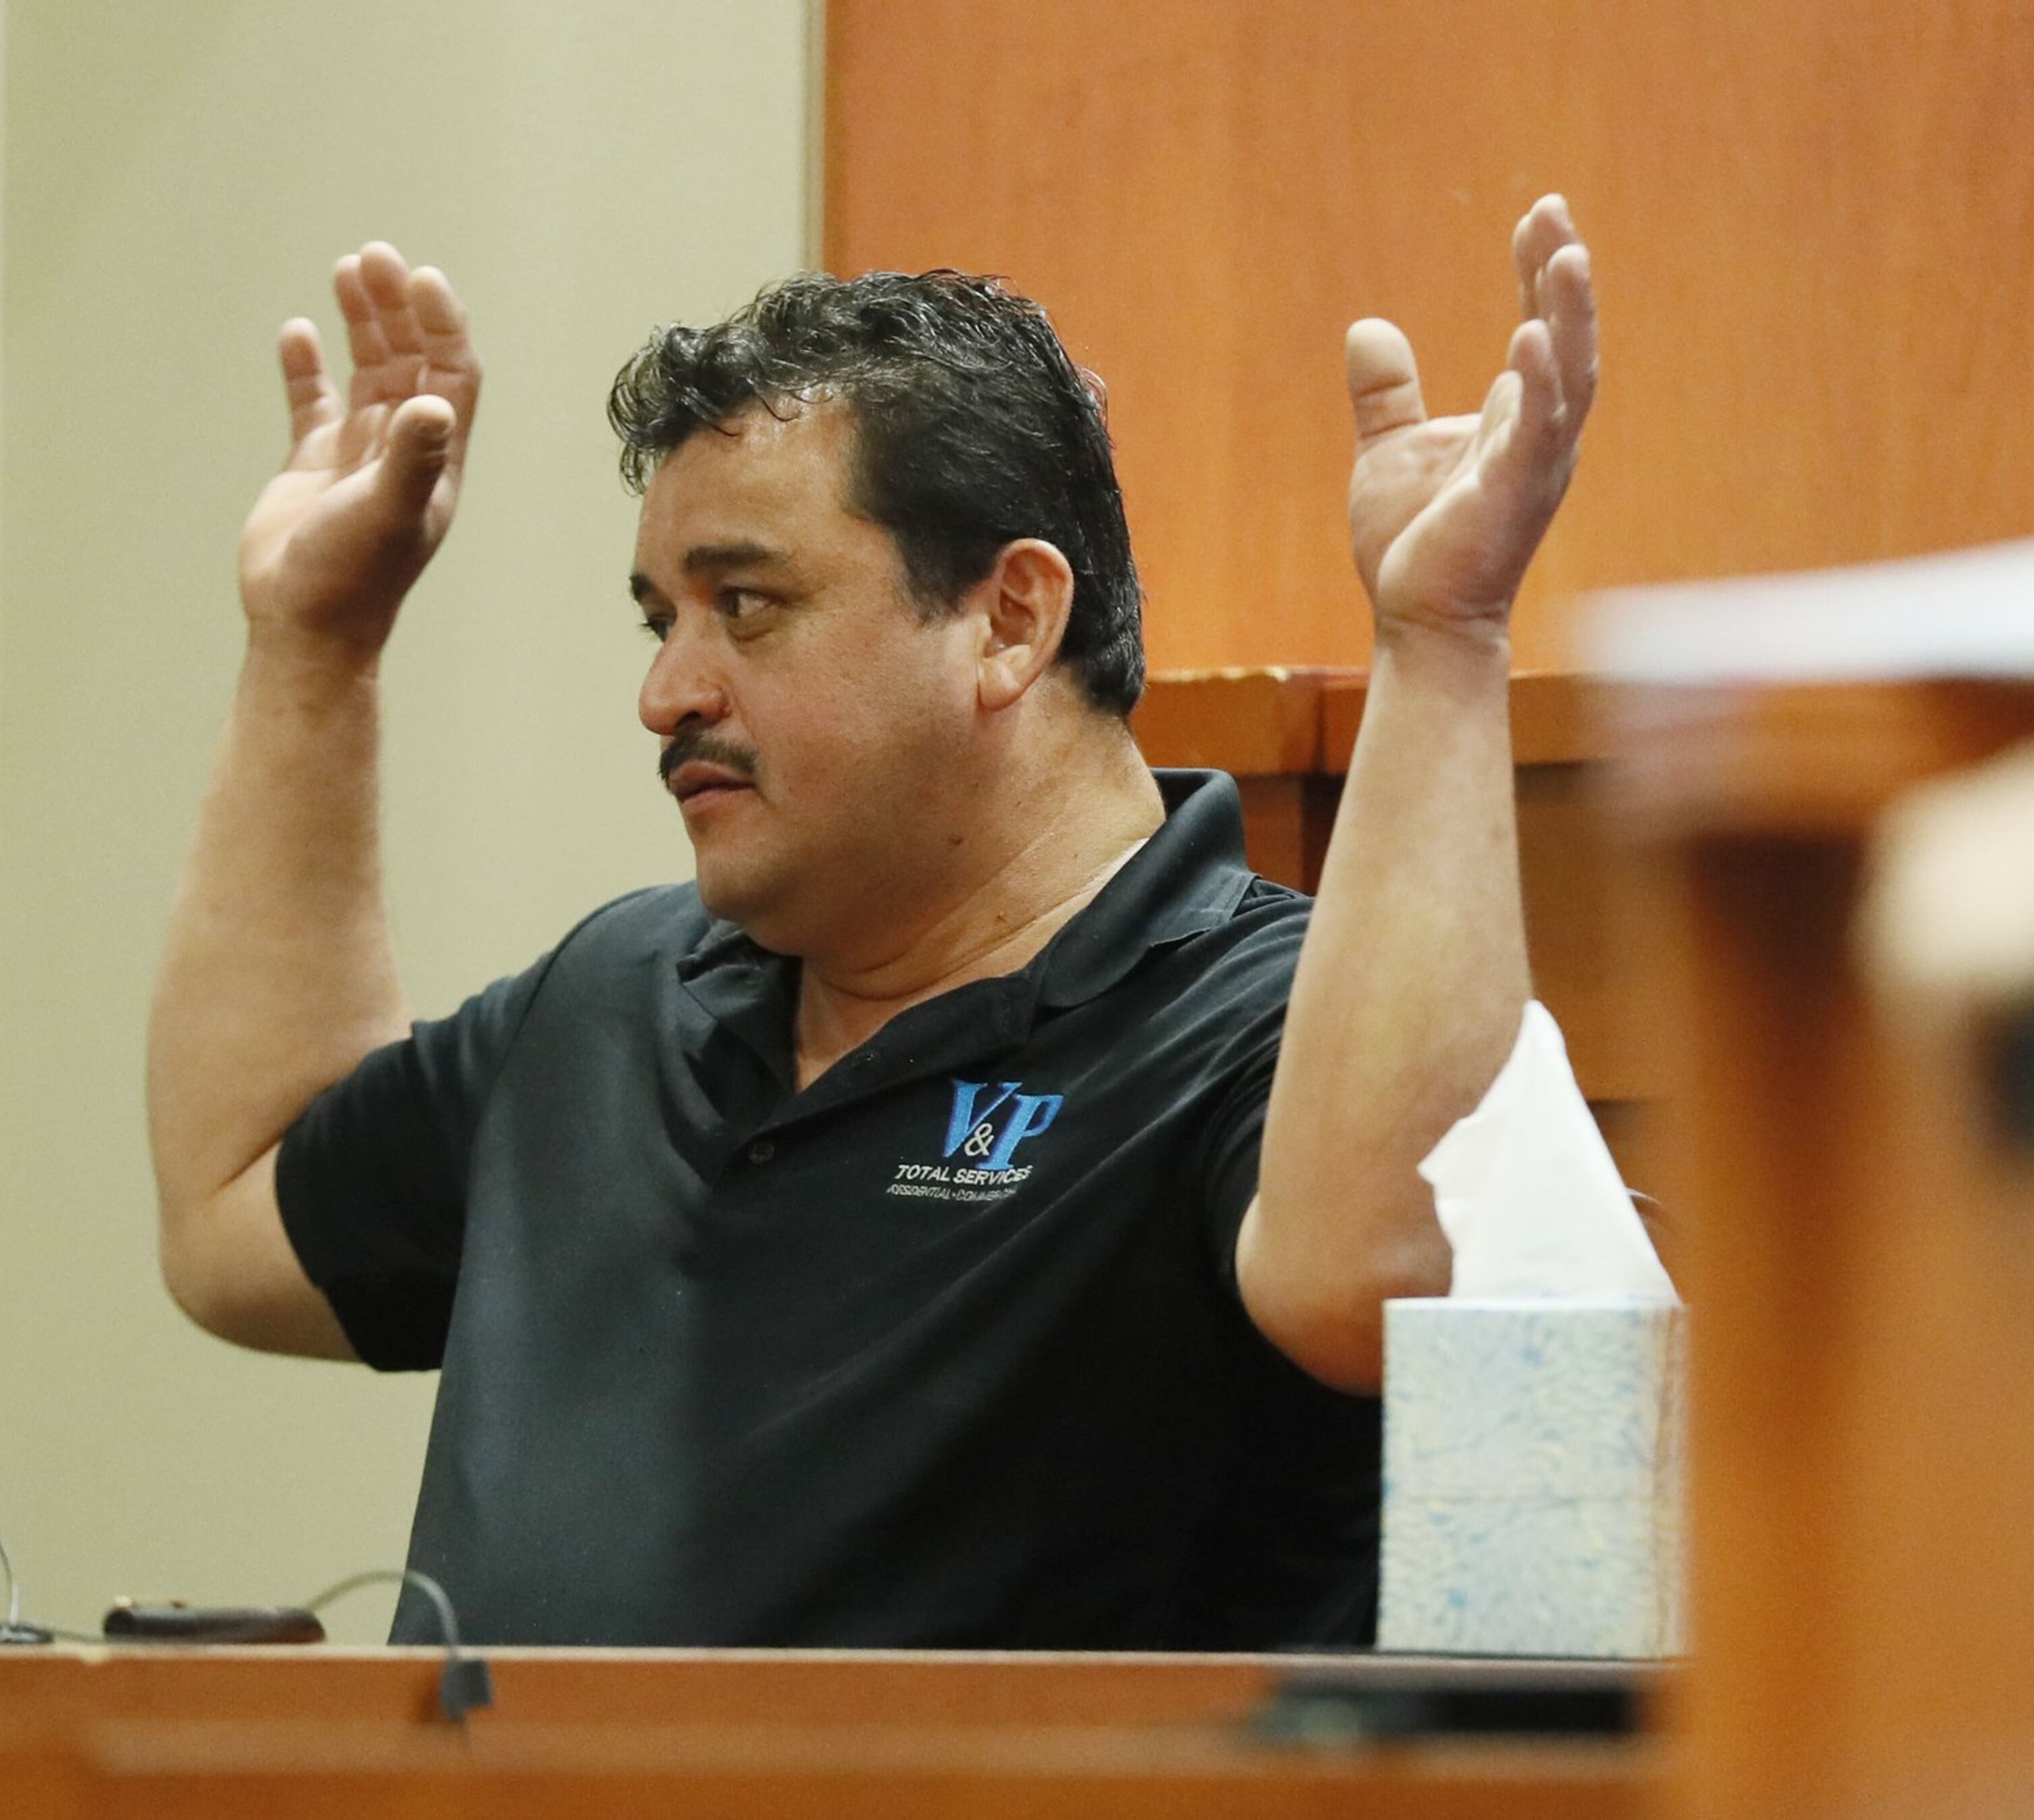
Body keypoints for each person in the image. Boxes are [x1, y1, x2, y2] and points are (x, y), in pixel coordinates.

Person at [147, 197, 1600, 1646]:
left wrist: (1441, 639)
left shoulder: (1257, 1021)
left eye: (748, 604)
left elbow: (1395, 1286)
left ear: (1008, 622)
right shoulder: (614, 996)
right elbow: (237, 1218)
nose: (669, 693)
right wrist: (314, 645)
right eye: (664, 620)